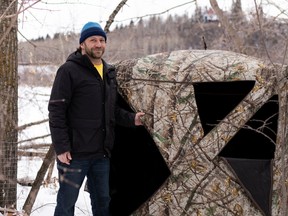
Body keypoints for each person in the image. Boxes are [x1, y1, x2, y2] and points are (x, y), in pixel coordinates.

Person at [48, 21, 145, 216]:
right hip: (74, 155)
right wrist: (62, 147)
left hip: (101, 154)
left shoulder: (109, 72)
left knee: (103, 202)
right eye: (93, 40)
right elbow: (56, 110)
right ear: (82, 44)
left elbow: (111, 110)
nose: (98, 44)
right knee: (66, 204)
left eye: (102, 40)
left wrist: (132, 118)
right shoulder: (68, 70)